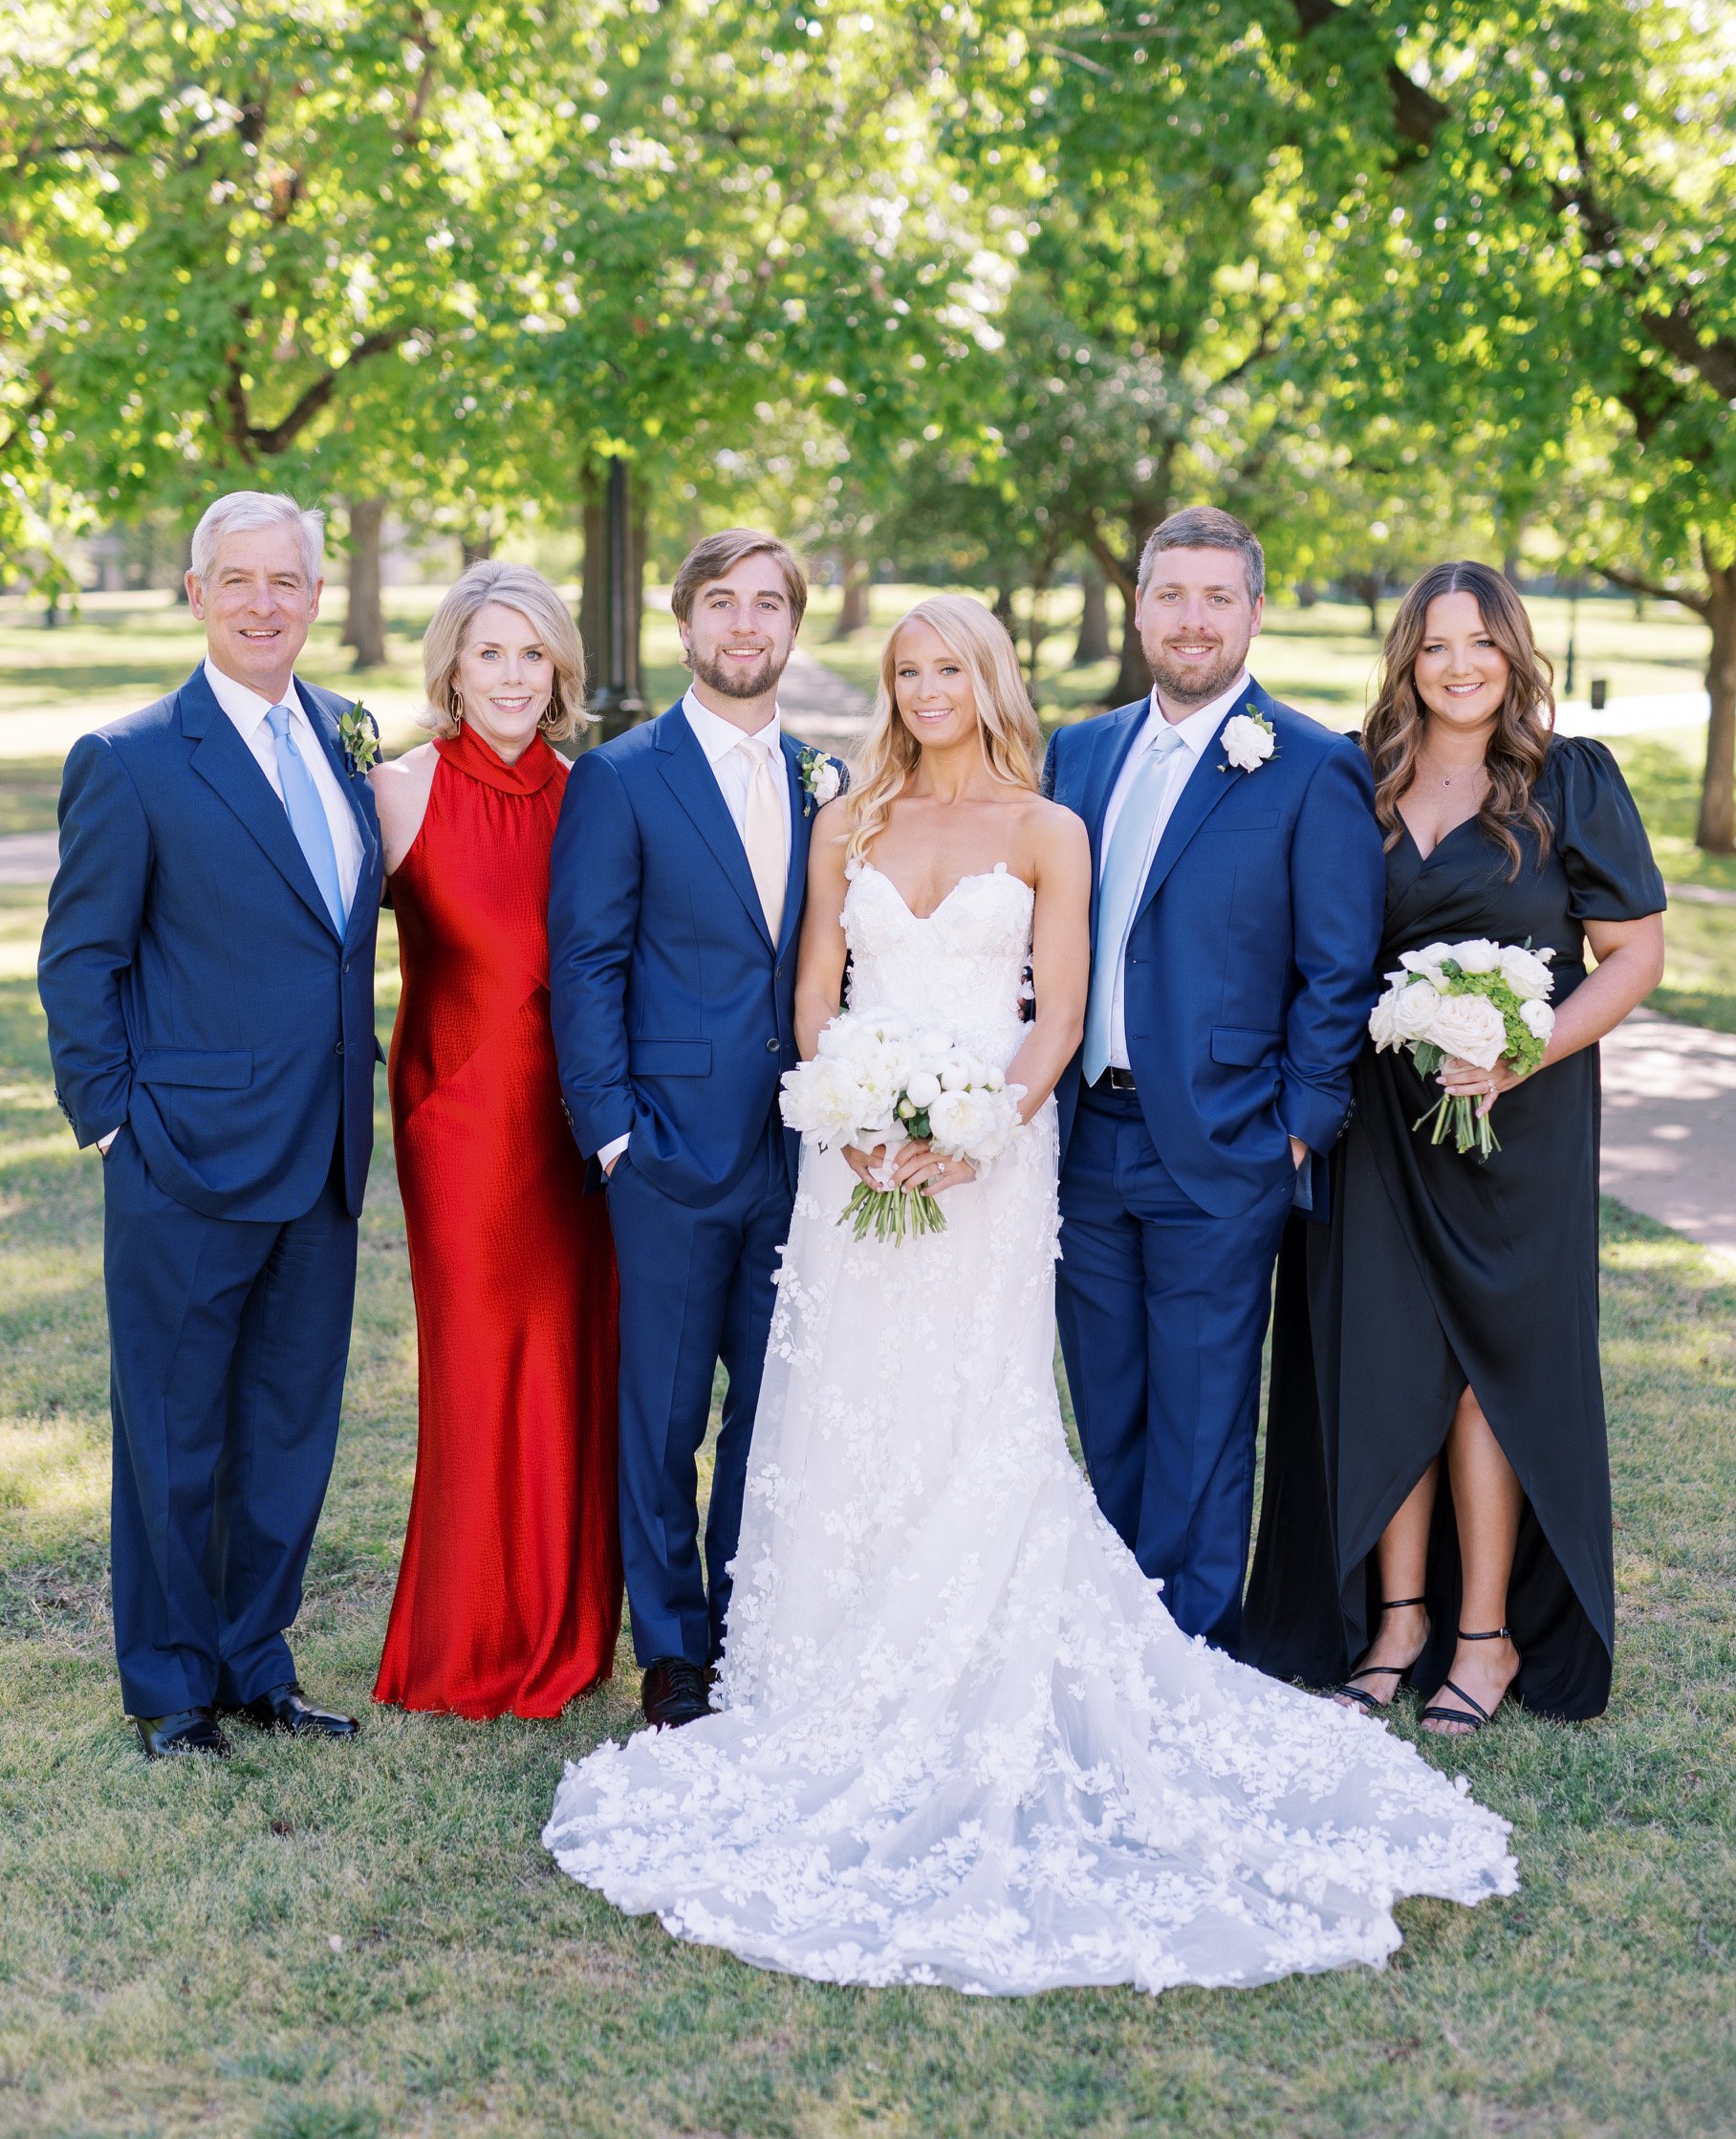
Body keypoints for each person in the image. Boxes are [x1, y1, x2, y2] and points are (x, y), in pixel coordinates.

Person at [541, 595, 1516, 1998]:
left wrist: (974, 1126)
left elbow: (1057, 1016)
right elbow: (815, 991)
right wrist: (853, 1110)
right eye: (907, 670)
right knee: (837, 1404)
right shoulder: (849, 821)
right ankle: (817, 1665)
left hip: (992, 1163)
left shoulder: (1050, 829)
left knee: (972, 1409)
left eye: (951, 667)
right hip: (854, 1158)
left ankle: (992, 1655)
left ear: (990, 678)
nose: (929, 689)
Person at [1244, 562, 1665, 1733]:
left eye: (1480, 642)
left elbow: (1632, 955)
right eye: (1435, 646)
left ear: (1513, 650)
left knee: (1490, 1377)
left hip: (1515, 1125)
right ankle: (1397, 1625)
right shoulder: (1354, 776)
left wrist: (1523, 1052)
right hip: (1379, 1122)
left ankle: (1485, 1636)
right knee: (1383, 1359)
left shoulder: (1566, 778)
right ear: (1406, 660)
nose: (1459, 664)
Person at [37, 491, 381, 1759]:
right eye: (235, 580)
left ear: (312, 593)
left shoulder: (346, 736)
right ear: (196, 593)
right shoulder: (128, 760)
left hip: (325, 1150)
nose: (261, 604)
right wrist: (118, 1125)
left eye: (284, 581)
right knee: (176, 1432)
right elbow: (80, 963)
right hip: (183, 1155)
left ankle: (257, 1662)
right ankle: (172, 1688)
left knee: (288, 1429)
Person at [1042, 506, 1386, 1654]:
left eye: (1217, 599)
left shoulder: (1312, 766)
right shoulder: (1076, 753)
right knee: (1110, 1403)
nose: (1193, 621)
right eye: (1172, 596)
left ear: (1250, 612)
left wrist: (1295, 1130)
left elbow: (1337, 971)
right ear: (1140, 608)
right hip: (1087, 1135)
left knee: (1200, 1414)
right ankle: (1112, 1630)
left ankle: (1185, 1651)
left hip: (1225, 1144)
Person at [548, 529, 842, 1732]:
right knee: (661, 1416)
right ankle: (671, 1649)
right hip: (665, 1150)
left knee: (774, 1407)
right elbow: (584, 962)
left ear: (790, 628)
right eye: (722, 603)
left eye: (767, 605)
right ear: (684, 624)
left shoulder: (827, 776)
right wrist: (615, 1134)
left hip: (798, 1151)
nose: (744, 626)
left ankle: (749, 1621)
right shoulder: (622, 775)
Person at [370, 562, 621, 1721]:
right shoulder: (398, 790)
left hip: (581, 1134)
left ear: (560, 668)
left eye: (534, 655)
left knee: (575, 1364)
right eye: (490, 655)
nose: (514, 677)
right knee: (477, 1367)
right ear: (453, 669)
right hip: (460, 1124)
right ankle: (463, 1643)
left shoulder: (596, 791)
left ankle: (568, 1636)